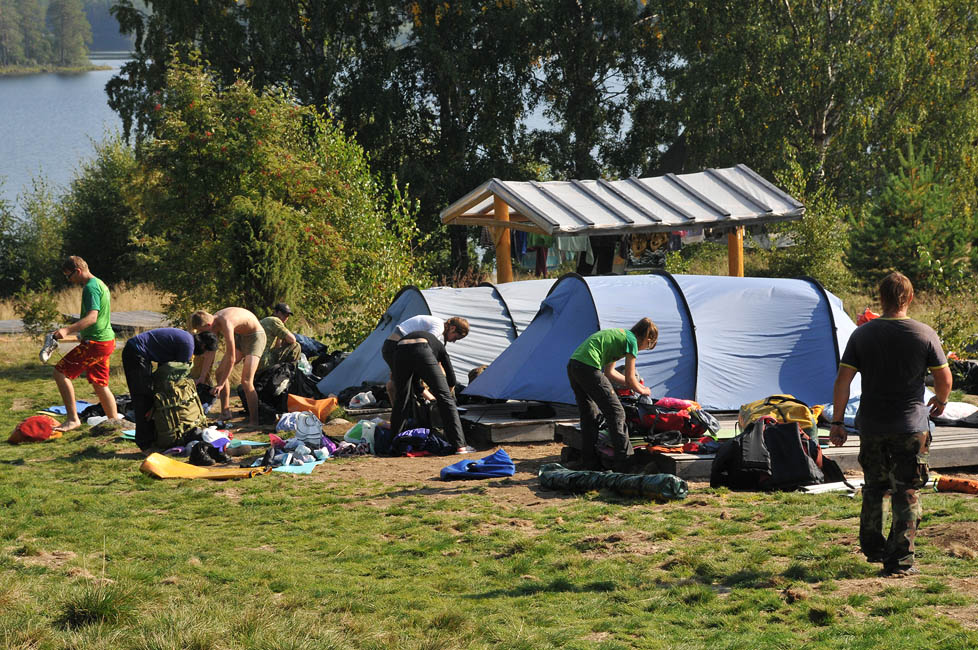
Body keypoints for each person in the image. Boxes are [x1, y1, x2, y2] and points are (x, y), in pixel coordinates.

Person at [830, 272, 951, 578]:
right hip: (911, 427)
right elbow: (945, 379)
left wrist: (836, 421)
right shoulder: (924, 333)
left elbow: (843, 381)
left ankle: (873, 547)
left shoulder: (862, 335)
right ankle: (899, 562)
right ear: (909, 298)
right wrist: (942, 399)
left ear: (879, 298)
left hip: (872, 425)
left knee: (874, 488)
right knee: (906, 491)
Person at [566, 318, 659, 471]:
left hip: (574, 366)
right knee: (616, 413)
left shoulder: (620, 336)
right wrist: (643, 390)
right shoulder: (632, 341)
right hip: (588, 367)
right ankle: (625, 464)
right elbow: (630, 378)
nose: (643, 349)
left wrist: (636, 385)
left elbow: (610, 373)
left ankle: (589, 462)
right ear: (648, 339)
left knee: (590, 415)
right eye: (648, 346)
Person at [122, 328, 219, 451]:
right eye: (206, 351)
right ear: (203, 345)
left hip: (140, 353)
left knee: (148, 397)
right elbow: (177, 375)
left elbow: (167, 368)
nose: (204, 355)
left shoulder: (187, 340)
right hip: (136, 353)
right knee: (143, 399)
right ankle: (145, 444)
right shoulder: (188, 347)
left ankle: (152, 439)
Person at [50, 256, 118, 432]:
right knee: (100, 384)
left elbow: (92, 318)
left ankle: (73, 419)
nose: (69, 280)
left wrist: (66, 330)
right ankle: (114, 422)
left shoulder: (91, 288)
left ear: (78, 271)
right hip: (106, 341)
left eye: (69, 276)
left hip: (96, 343)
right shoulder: (100, 284)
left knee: (60, 373)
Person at [389, 329, 473, 454]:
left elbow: (416, 384)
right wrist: (449, 390)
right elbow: (451, 376)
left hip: (400, 350)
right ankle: (460, 446)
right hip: (422, 348)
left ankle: (394, 445)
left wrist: (432, 399)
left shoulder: (430, 342)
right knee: (445, 399)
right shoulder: (439, 347)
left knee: (401, 398)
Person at [189, 307, 266, 426]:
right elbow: (211, 352)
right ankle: (225, 412)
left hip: (255, 337)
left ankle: (254, 421)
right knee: (219, 372)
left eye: (202, 330)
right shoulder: (212, 323)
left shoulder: (226, 322)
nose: (202, 334)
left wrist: (220, 384)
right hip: (241, 337)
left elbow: (231, 357)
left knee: (246, 381)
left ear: (208, 325)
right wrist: (202, 377)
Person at [381, 315, 469, 405]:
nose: (454, 341)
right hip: (395, 347)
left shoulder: (437, 327)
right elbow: (424, 347)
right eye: (455, 338)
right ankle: (434, 402)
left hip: (393, 346)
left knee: (398, 379)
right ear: (452, 328)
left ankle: (398, 411)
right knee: (411, 381)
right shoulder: (439, 327)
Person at [259, 302, 301, 371]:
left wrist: (280, 337)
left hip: (255, 358)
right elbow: (292, 340)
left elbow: (277, 347)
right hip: (263, 360)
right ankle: (288, 373)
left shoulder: (267, 320)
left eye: (287, 315)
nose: (286, 317)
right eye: (284, 314)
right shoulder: (275, 321)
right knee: (296, 346)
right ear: (275, 312)